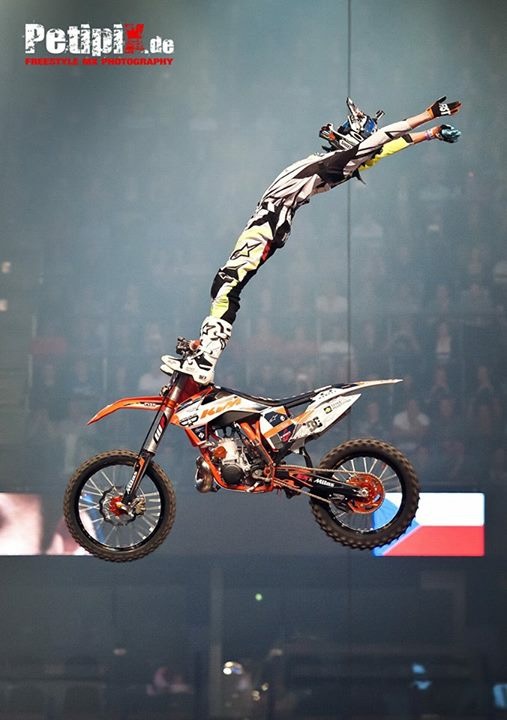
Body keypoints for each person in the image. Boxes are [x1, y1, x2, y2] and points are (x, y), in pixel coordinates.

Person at [162, 96, 462, 385]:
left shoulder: (338, 162)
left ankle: (206, 360)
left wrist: (429, 116)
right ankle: (206, 348)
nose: (339, 130)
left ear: (355, 139)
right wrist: (431, 134)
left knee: (228, 285)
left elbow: (383, 139)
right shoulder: (339, 162)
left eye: (347, 128)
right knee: (225, 284)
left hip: (269, 221)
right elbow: (383, 148)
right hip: (269, 220)